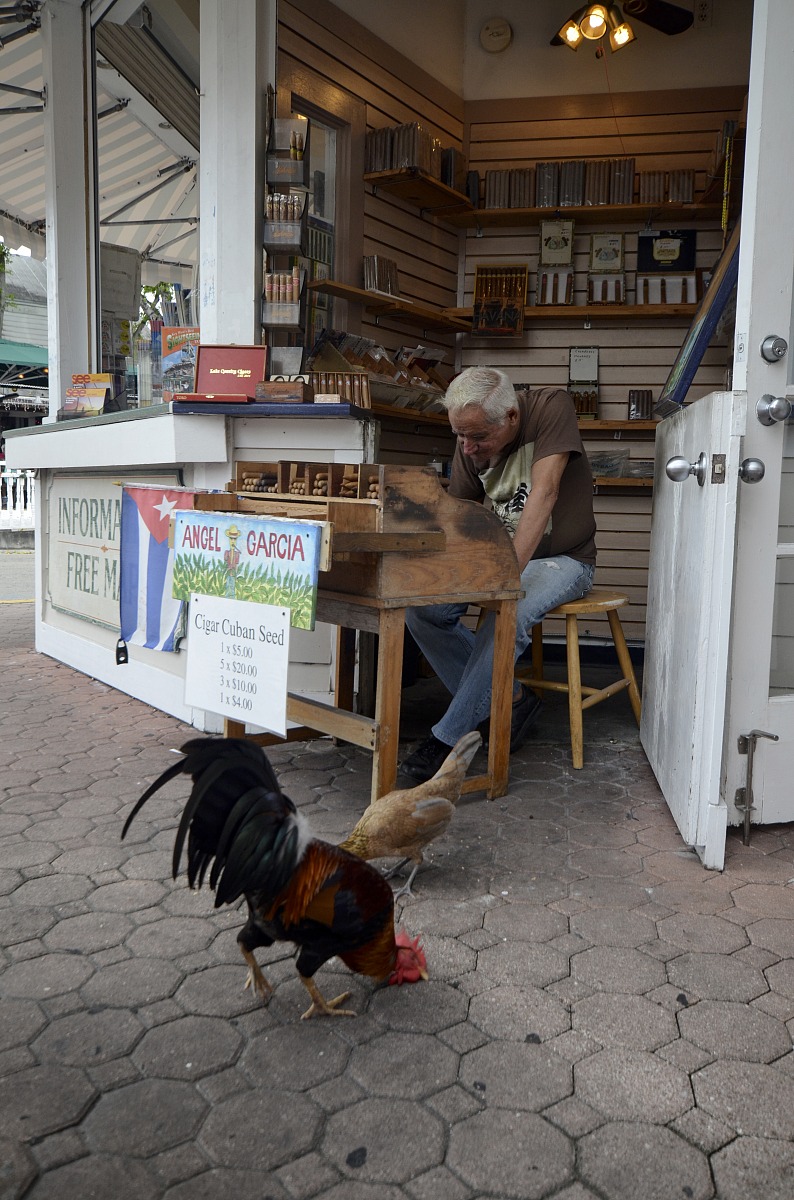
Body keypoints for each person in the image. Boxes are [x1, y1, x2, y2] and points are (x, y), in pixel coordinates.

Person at [400, 366, 597, 783]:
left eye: (478, 438)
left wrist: (504, 580)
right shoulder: (470, 440)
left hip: (565, 560)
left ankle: (449, 738)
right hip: (499, 558)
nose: (469, 449)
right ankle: (511, 700)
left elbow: (544, 493)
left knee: (507, 611)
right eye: (460, 436)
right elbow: (457, 515)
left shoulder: (550, 407)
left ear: (510, 417)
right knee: (423, 611)